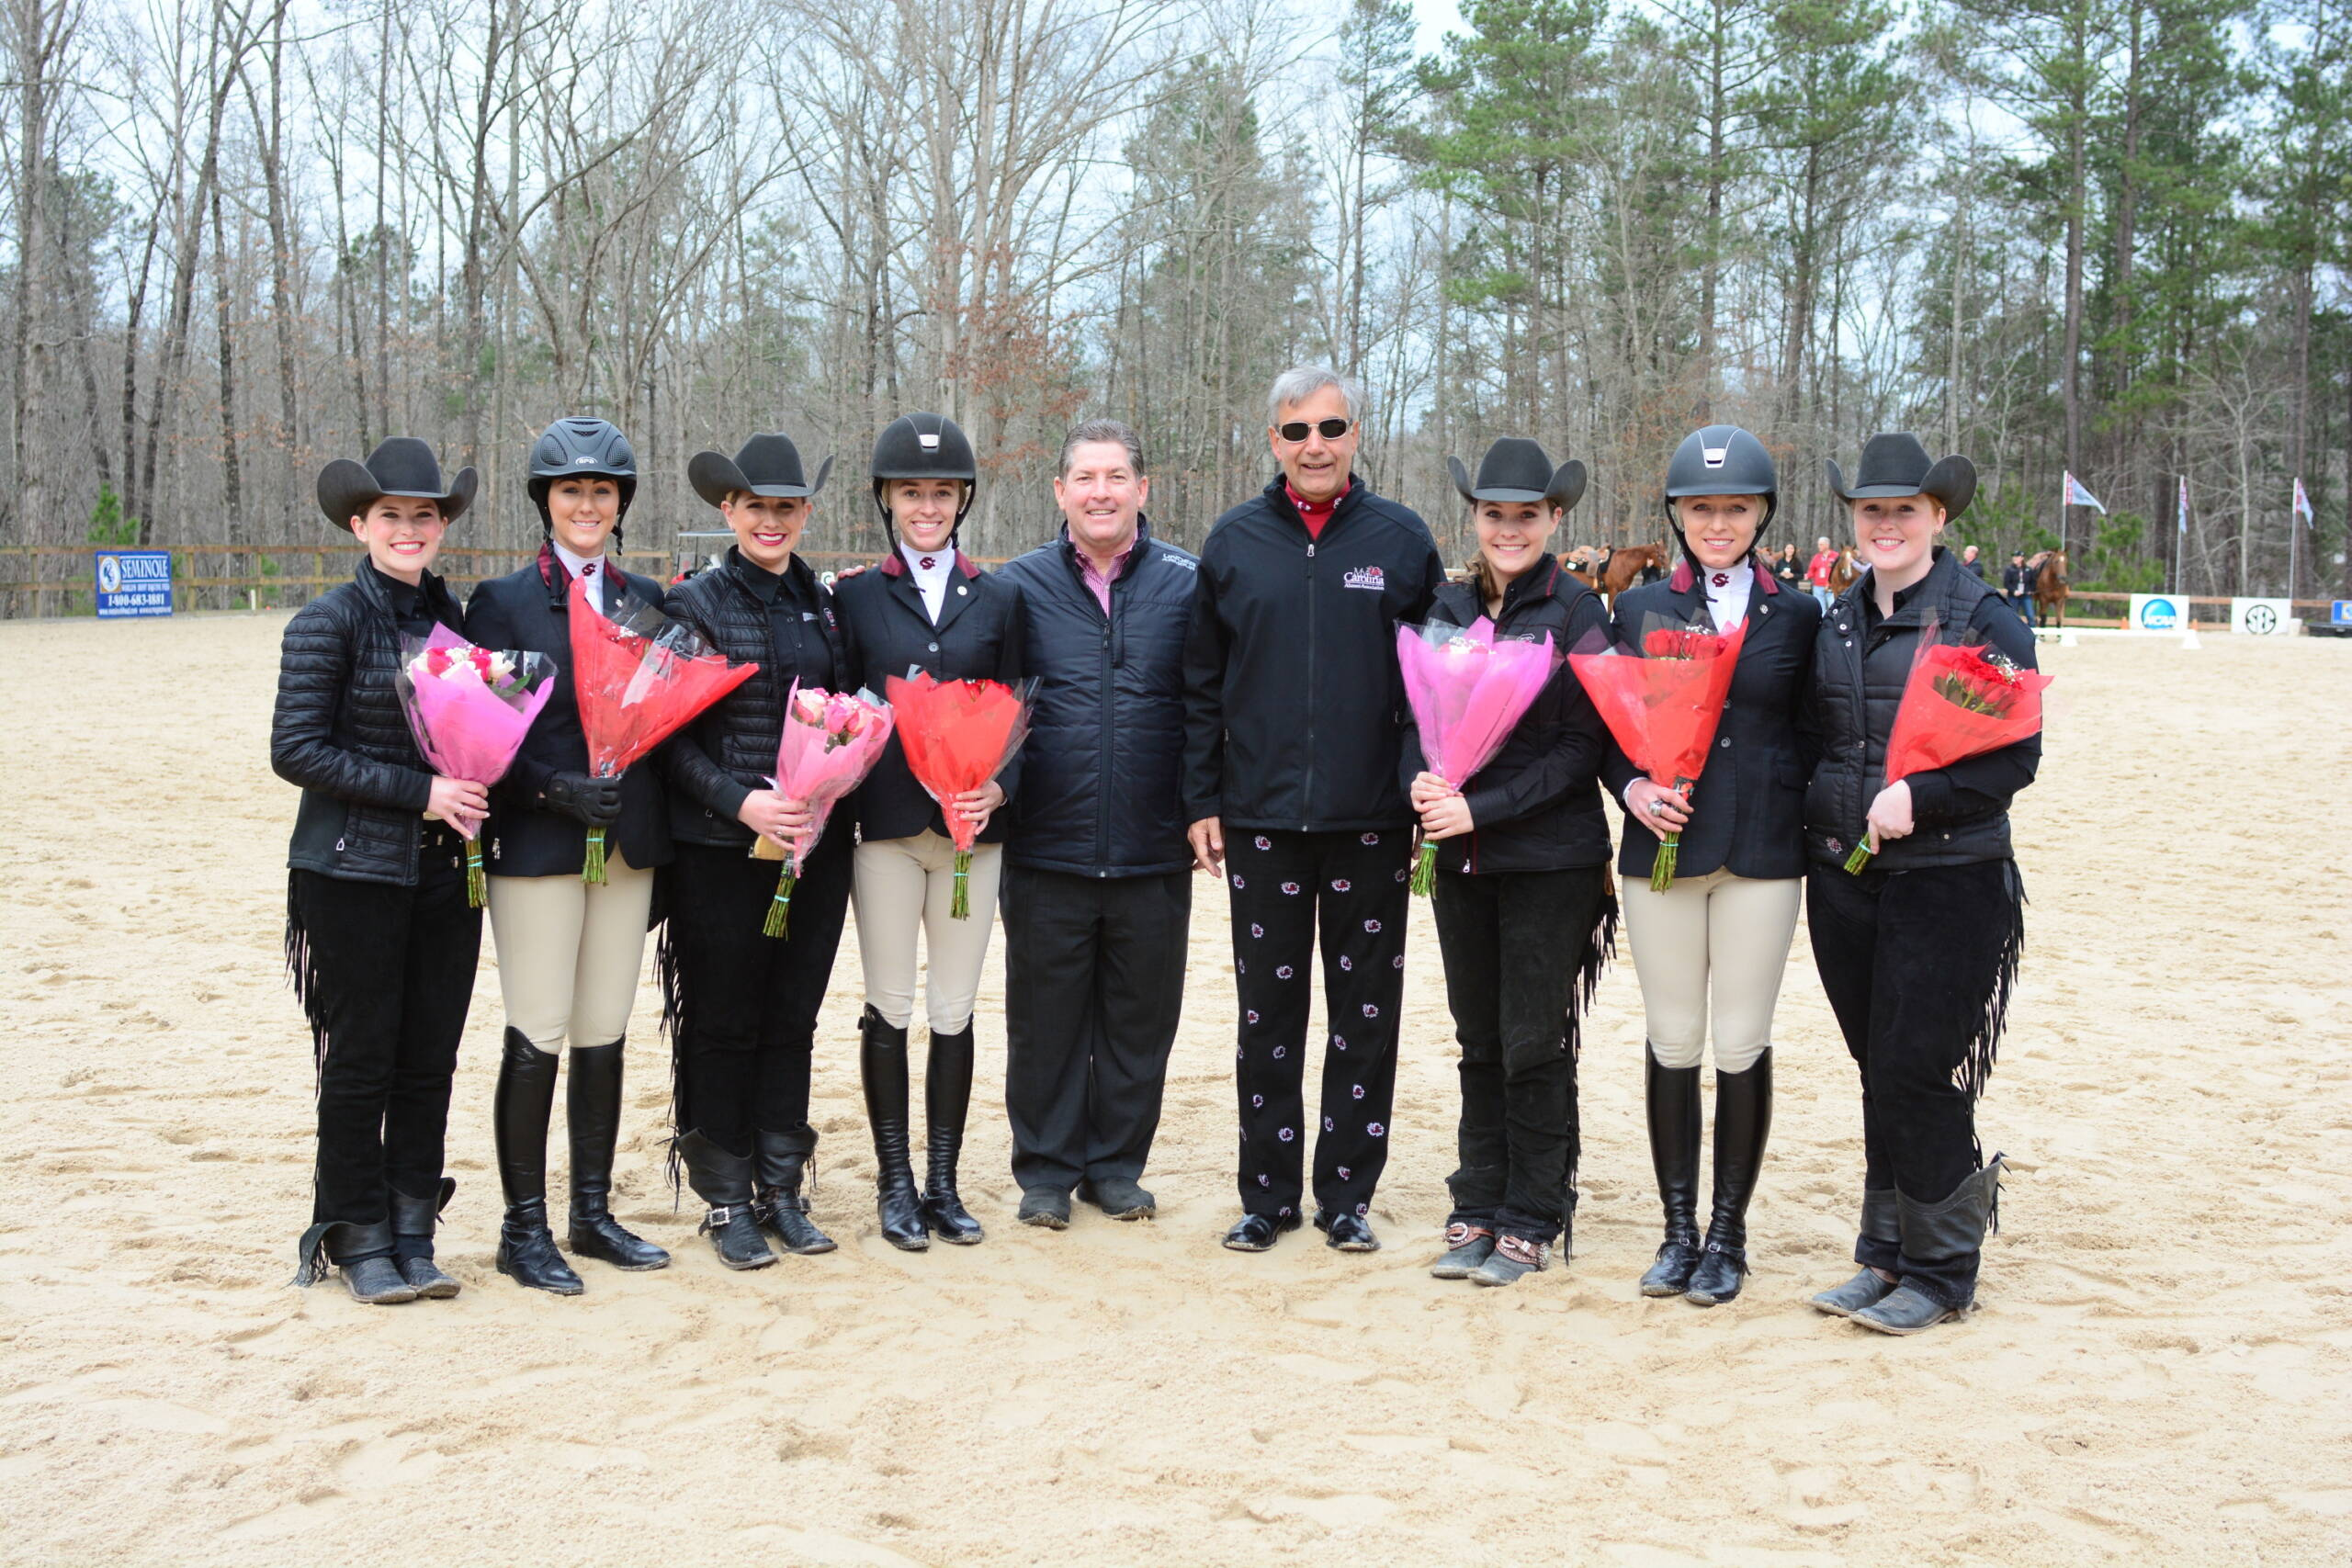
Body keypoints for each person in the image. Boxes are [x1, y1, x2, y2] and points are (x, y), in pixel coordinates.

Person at [1182, 367, 1446, 1254]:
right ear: (1273, 442)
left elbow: (1433, 687)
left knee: (1365, 1014)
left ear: (1357, 434)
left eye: (1331, 427)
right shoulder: (1232, 543)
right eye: (1297, 431)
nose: (1315, 445)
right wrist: (1201, 800)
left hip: (1371, 818)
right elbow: (1199, 688)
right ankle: (1268, 1196)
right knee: (1269, 1014)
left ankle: (1346, 1196)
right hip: (1258, 819)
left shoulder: (1402, 542)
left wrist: (1417, 785)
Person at [1804, 433, 2038, 1335]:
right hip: (1844, 879)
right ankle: (1885, 1252)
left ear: (1938, 517)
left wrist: (1925, 795)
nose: (1886, 524)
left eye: (1904, 509)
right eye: (1871, 510)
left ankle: (1942, 1268)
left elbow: (2015, 757)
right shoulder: (1834, 617)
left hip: (1949, 879)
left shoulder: (1984, 618)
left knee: (1914, 1065)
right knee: (1876, 1066)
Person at [1602, 425, 1822, 1308]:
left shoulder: (1800, 613)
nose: (1719, 522)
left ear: (1762, 514)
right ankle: (1677, 1228)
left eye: (1736, 508)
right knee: (1672, 1037)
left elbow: (1817, 728)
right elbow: (1602, 727)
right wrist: (1629, 788)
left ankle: (1728, 1235)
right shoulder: (1639, 607)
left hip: (1763, 852)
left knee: (1740, 1040)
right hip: (1662, 846)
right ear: (1679, 515)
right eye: (1703, 507)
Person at [464, 417, 673, 1294]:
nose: (587, 505)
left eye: (602, 491)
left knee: (604, 1031)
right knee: (538, 1028)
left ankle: (589, 1212)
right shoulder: (504, 603)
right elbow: (481, 735)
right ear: (545, 501)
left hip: (624, 848)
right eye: (570, 491)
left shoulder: (648, 600)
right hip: (543, 846)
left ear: (620, 503)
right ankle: (523, 1227)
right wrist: (554, 788)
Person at [274, 439, 484, 1303]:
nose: (408, 529)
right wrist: (420, 791)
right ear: (359, 524)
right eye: (391, 515)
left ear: (442, 528)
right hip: (350, 871)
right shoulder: (327, 622)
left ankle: (411, 1227)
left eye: (424, 515)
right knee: (361, 1057)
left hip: (444, 874)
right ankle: (356, 1233)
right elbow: (296, 750)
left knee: (428, 1058)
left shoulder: (458, 625)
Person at [1409, 439, 1614, 1288]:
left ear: (1554, 519)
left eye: (1526, 515)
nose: (1509, 528)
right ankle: (1478, 1195)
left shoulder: (1578, 613)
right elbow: (1414, 717)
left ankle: (1534, 1210)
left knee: (1534, 1038)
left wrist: (1478, 808)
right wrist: (1422, 787)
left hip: (1550, 861)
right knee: (1477, 1036)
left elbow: (1580, 749)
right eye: (1495, 514)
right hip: (1461, 861)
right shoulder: (1450, 608)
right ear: (1476, 518)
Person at [658, 433, 854, 1269]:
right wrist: (742, 801)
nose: (770, 520)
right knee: (723, 1019)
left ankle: (782, 1186)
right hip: (722, 848)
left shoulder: (827, 605)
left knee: (792, 1017)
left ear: (804, 513)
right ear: (728, 511)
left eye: (786, 507)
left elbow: (845, 717)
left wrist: (822, 792)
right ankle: (726, 1197)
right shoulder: (695, 605)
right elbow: (664, 737)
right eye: (754, 506)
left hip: (814, 845)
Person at [994, 421, 1197, 1229]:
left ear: (1143, 490)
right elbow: (994, 706)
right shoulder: (1019, 585)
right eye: (1085, 477)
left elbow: (1209, 706)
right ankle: (1044, 1171)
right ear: (1060, 491)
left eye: (1117, 476)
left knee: (1140, 1020)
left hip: (1153, 846)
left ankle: (1115, 1166)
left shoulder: (1189, 581)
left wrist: (1202, 808)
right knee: (1044, 1020)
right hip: (1049, 843)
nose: (1102, 492)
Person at [835, 412, 1026, 1250]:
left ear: (962, 501)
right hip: (885, 830)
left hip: (968, 838)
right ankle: (894, 1181)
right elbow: (836, 711)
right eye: (911, 492)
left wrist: (1000, 785)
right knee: (891, 1003)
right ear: (887, 499)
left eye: (941, 492)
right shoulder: (852, 596)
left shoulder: (1000, 596)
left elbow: (1026, 708)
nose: (926, 505)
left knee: (954, 1007)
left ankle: (944, 1181)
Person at [2002, 551, 2038, 627]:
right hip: (2013, 596)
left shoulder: (2028, 569)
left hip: (2025, 596)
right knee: (2013, 616)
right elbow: (2006, 583)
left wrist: (2031, 590)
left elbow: (2033, 582)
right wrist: (2013, 591)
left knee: (2030, 615)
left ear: (2022, 558)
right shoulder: (2010, 569)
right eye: (2014, 557)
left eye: (2017, 557)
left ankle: (2033, 633)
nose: (2014, 558)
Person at [1805, 536, 1840, 611]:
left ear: (1827, 545)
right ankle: (1823, 622)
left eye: (1821, 544)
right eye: (1818, 544)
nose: (1819, 546)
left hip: (1831, 586)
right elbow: (1811, 570)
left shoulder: (1836, 556)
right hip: (1818, 586)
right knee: (1820, 608)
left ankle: (1833, 622)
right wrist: (1807, 575)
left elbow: (1840, 570)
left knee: (1833, 606)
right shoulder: (1816, 557)